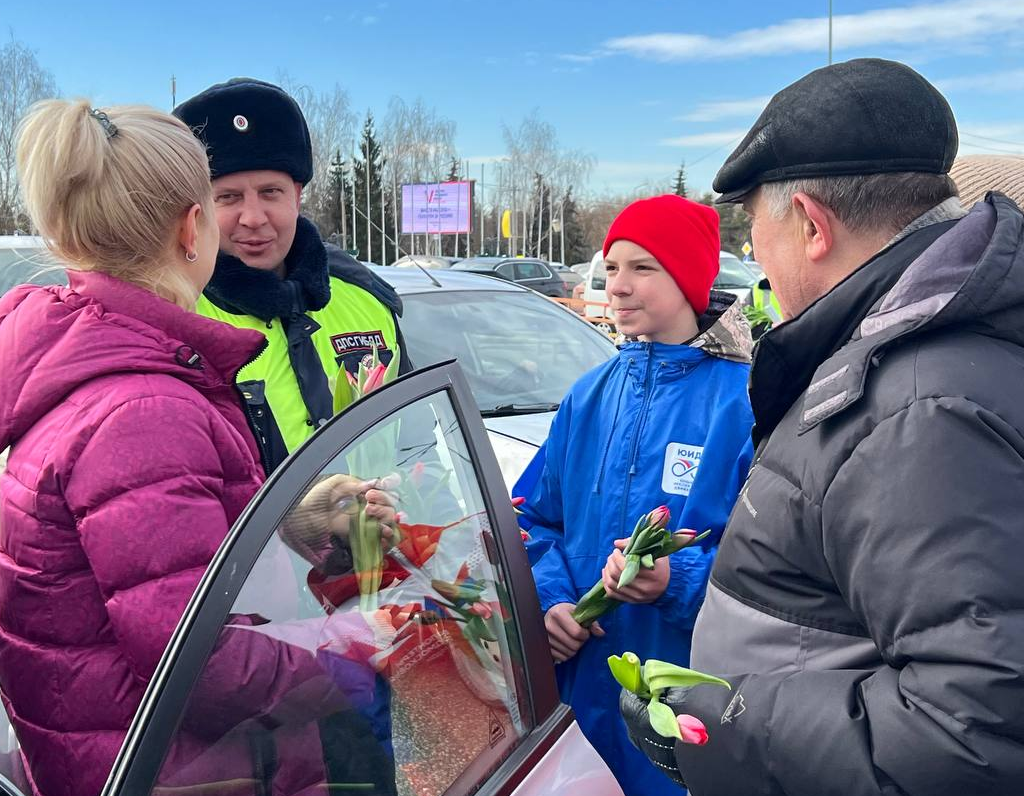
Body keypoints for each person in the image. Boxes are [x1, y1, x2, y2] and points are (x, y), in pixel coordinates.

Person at [621, 58, 1024, 796]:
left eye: (755, 231)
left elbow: (975, 731)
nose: (759, 265)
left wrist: (718, 729)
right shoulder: (906, 363)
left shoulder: (918, 408)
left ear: (810, 224)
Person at [0, 100, 394, 796]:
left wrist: (291, 523)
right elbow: (201, 664)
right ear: (192, 226)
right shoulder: (144, 406)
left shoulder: (87, 364)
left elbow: (141, 573)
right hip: (192, 770)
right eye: (221, 202)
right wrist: (362, 649)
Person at [514, 194, 755, 796]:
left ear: (689, 279)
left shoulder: (746, 401)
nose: (618, 285)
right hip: (580, 704)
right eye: (613, 266)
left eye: (643, 268)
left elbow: (771, 564)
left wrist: (675, 579)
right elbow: (536, 520)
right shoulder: (588, 395)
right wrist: (551, 602)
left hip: (683, 711)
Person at [173, 79, 411, 474]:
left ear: (297, 196)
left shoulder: (368, 302)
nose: (253, 217)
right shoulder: (177, 321)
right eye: (228, 197)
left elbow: (419, 450)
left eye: (270, 192)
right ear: (196, 209)